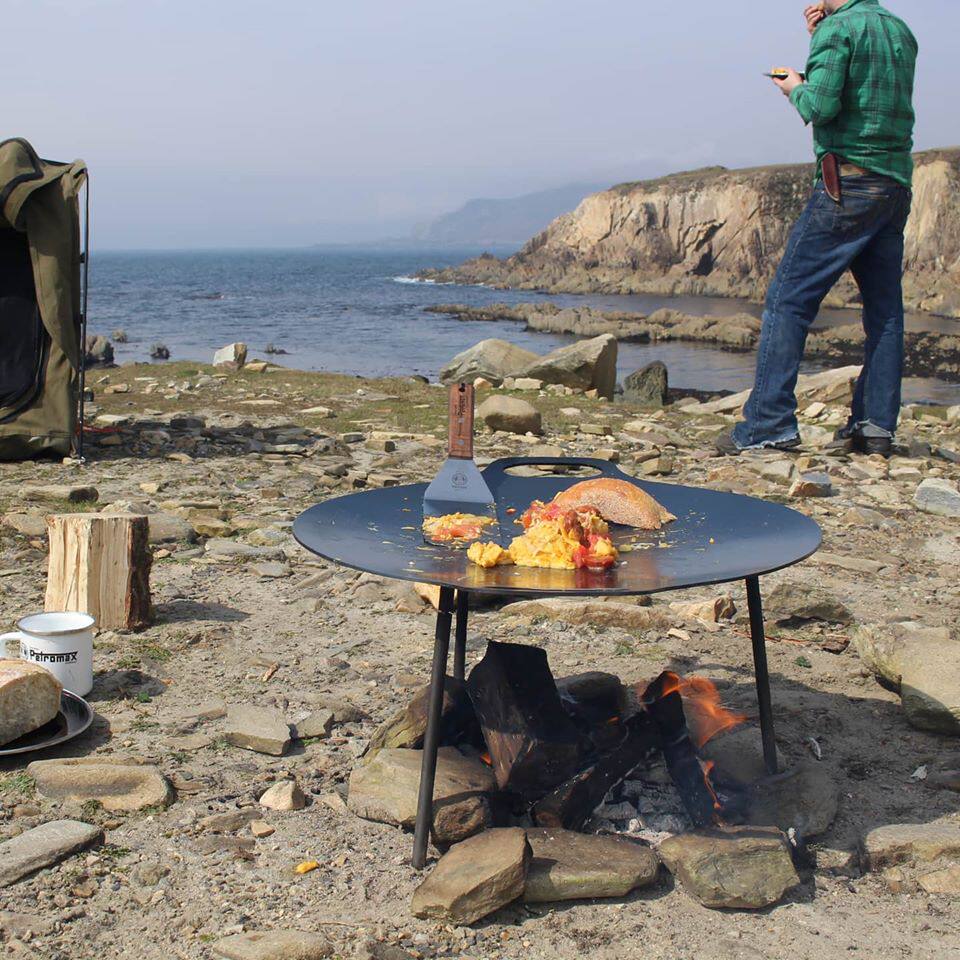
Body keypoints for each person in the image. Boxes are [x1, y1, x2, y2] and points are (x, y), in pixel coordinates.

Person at [716, 0, 917, 458]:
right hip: (893, 184)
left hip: (846, 183)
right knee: (884, 312)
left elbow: (822, 106)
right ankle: (875, 427)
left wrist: (794, 86)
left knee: (788, 301)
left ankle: (768, 425)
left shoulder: (838, 30)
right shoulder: (899, 30)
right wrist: (818, 40)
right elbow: (864, 90)